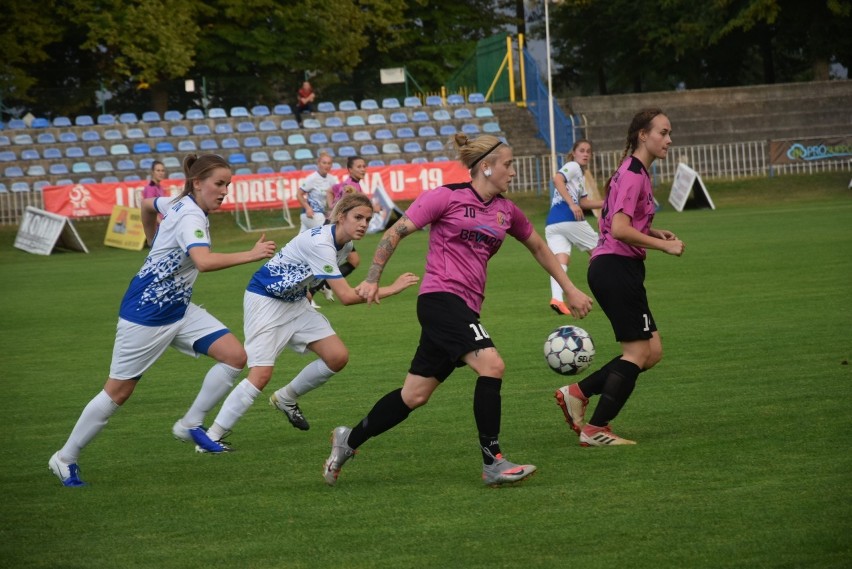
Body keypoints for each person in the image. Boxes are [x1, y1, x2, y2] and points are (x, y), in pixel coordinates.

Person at [322, 133, 594, 487]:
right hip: (439, 299)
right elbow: (395, 233)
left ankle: (349, 439)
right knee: (492, 364)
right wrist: (373, 277)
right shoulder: (445, 197)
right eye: (508, 165)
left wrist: (569, 288)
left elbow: (540, 247)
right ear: (486, 166)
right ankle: (492, 461)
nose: (513, 172)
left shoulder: (506, 211)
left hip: (466, 308)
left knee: (414, 395)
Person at [48, 154, 277, 486]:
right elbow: (203, 261)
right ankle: (65, 457)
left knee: (234, 356)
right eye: (219, 183)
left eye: (228, 184)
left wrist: (153, 240)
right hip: (147, 313)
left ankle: (190, 424)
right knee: (118, 392)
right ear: (197, 183)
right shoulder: (191, 217)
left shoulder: (177, 201)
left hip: (178, 309)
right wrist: (252, 255)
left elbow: (145, 204)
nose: (225, 190)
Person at [203, 193, 418, 444]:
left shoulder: (344, 244)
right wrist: (393, 288)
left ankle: (285, 398)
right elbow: (347, 297)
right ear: (340, 217)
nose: (363, 224)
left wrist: (308, 289)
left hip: (294, 301)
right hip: (266, 300)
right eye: (358, 217)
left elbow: (306, 270)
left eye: (368, 219)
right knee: (260, 375)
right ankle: (211, 437)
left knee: (337, 357)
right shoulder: (323, 244)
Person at [554, 108, 685, 447]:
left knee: (651, 352)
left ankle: (578, 392)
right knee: (638, 352)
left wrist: (655, 231)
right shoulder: (632, 174)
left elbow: (613, 223)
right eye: (663, 132)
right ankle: (596, 428)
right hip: (615, 268)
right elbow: (620, 229)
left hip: (618, 266)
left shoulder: (634, 171)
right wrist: (661, 246)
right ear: (643, 135)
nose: (669, 139)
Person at [545, 139, 603, 315]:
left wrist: (607, 203)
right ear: (574, 153)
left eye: (588, 151)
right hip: (568, 218)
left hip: (552, 223)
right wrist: (572, 204)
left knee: (560, 261)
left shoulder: (579, 176)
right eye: (582, 150)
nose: (585, 154)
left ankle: (557, 299)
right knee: (603, 251)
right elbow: (557, 178)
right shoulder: (573, 166)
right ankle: (617, 290)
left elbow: (584, 202)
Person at [297, 151, 338, 234]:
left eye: (329, 163)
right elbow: (299, 194)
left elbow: (334, 196)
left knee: (300, 242)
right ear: (318, 164)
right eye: (324, 163)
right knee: (325, 233)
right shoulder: (312, 178)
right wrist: (308, 208)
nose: (327, 165)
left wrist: (330, 210)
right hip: (311, 214)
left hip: (321, 213)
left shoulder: (331, 179)